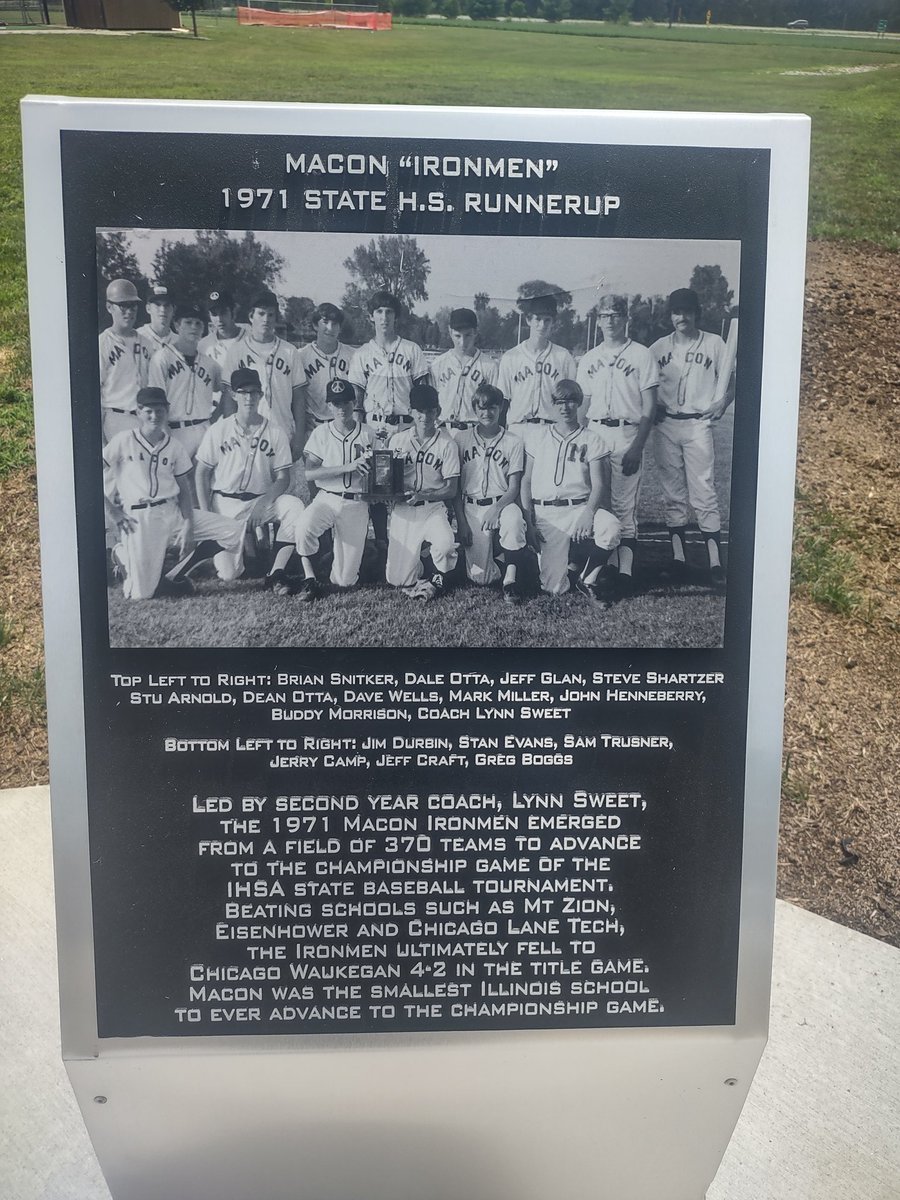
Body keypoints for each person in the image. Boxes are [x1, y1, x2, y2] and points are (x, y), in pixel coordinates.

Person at [103, 388, 241, 600]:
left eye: (159, 410)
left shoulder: (174, 445)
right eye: (148, 411)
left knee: (232, 531)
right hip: (140, 517)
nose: (154, 416)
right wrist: (113, 512)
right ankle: (122, 554)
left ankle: (175, 573)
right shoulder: (124, 440)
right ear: (138, 412)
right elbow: (90, 475)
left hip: (172, 511)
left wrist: (188, 524)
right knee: (141, 595)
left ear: (167, 411)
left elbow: (184, 489)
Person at [177, 368, 306, 594]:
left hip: (262, 500)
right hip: (226, 502)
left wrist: (264, 502)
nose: (249, 397)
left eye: (254, 392)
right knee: (229, 574)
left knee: (294, 507)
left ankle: (276, 571)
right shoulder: (219, 430)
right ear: (234, 395)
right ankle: (244, 545)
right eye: (243, 392)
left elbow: (284, 477)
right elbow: (201, 473)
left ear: (261, 395)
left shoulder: (275, 431)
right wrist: (208, 516)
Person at [650, 288, 733, 587]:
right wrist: (652, 406)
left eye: (686, 311)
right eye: (676, 311)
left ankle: (714, 563)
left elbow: (733, 376)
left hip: (698, 424)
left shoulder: (714, 342)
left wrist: (723, 402)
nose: (680, 317)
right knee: (672, 494)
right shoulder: (658, 347)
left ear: (696, 313)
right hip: (666, 425)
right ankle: (678, 560)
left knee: (703, 490)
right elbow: (644, 385)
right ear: (670, 314)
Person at [576, 294, 658, 593]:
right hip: (596, 433)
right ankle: (605, 566)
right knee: (599, 502)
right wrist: (580, 438)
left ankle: (624, 573)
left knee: (624, 507)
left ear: (627, 319)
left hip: (626, 433)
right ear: (598, 320)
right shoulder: (589, 358)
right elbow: (583, 405)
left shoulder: (641, 354)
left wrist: (638, 445)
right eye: (605, 315)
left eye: (616, 315)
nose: (610, 320)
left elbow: (650, 407)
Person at [520, 379, 621, 601]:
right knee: (554, 589)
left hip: (578, 507)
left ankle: (588, 578)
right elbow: (526, 481)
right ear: (553, 404)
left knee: (611, 527)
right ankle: (573, 563)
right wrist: (529, 522)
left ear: (579, 403)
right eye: (560, 402)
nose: (565, 408)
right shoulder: (537, 436)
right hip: (547, 513)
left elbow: (599, 485)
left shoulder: (592, 438)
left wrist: (588, 514)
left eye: (571, 402)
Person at [293, 379, 374, 601]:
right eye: (336, 403)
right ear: (329, 405)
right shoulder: (321, 433)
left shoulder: (369, 433)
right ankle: (310, 578)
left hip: (356, 502)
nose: (341, 408)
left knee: (345, 581)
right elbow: (310, 473)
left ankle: (341, 559)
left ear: (354, 402)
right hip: (327, 498)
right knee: (303, 527)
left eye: (346, 402)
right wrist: (347, 467)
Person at [453, 382, 528, 603]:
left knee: (514, 520)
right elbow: (456, 487)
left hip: (502, 502)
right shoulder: (461, 438)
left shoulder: (513, 441)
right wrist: (461, 522)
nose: (487, 413)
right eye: (482, 408)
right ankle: (502, 554)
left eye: (493, 407)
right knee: (481, 579)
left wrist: (496, 509)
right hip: (472, 505)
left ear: (501, 408)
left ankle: (510, 580)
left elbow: (513, 487)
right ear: (475, 410)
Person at [385, 383, 459, 601]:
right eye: (420, 411)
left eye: (430, 410)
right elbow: (386, 479)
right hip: (404, 510)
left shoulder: (447, 444)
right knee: (398, 580)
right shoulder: (398, 440)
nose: (425, 416)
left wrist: (423, 494)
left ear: (438, 412)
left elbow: (451, 489)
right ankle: (424, 558)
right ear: (411, 412)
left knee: (445, 546)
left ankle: (437, 573)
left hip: (432, 508)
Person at [222, 290, 305, 457]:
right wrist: (229, 432)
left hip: (282, 430)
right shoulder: (237, 351)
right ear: (251, 316)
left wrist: (299, 437)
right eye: (261, 313)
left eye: (271, 314)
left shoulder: (290, 351)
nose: (266, 319)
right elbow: (229, 397)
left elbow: (299, 397)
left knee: (283, 481)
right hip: (246, 432)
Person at [148, 301, 222, 460]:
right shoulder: (162, 358)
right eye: (188, 322)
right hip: (174, 430)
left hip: (204, 428)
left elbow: (228, 390)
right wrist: (165, 436)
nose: (194, 327)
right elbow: (156, 401)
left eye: (198, 323)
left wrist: (214, 419)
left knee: (204, 481)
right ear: (177, 325)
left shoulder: (210, 364)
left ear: (204, 328)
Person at [497, 295, 576, 439]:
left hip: (552, 429)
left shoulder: (563, 357)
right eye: (537, 319)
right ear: (528, 320)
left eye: (547, 320)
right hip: (518, 429)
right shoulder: (511, 357)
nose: (542, 325)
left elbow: (572, 401)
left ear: (553, 322)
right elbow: (503, 401)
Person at [296, 303, 357, 445]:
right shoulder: (301, 356)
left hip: (346, 426)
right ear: (315, 325)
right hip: (315, 427)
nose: (330, 328)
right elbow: (296, 396)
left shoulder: (353, 355)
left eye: (335, 324)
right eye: (325, 322)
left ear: (340, 328)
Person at [431, 308, 498, 436]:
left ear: (475, 332)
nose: (462, 342)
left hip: (475, 431)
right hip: (444, 430)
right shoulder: (438, 364)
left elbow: (495, 408)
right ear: (450, 332)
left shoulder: (490, 366)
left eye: (468, 335)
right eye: (457, 336)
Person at [99, 278, 150, 442]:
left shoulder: (147, 343)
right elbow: (95, 393)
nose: (129, 311)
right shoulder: (102, 343)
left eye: (133, 305)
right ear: (109, 307)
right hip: (115, 419)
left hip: (143, 419)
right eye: (123, 306)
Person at [138, 283, 175, 356]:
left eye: (167, 305)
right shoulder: (137, 337)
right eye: (157, 305)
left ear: (173, 309)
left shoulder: (179, 342)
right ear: (148, 308)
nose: (163, 309)